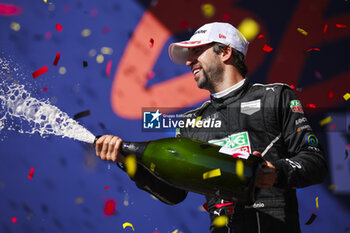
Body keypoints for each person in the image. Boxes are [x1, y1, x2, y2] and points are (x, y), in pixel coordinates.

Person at [95, 22, 328, 233]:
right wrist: (128, 162)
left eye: (197, 51)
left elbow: (316, 162)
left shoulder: (275, 97)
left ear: (225, 52)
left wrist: (276, 172)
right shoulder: (190, 123)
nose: (188, 62)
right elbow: (174, 194)